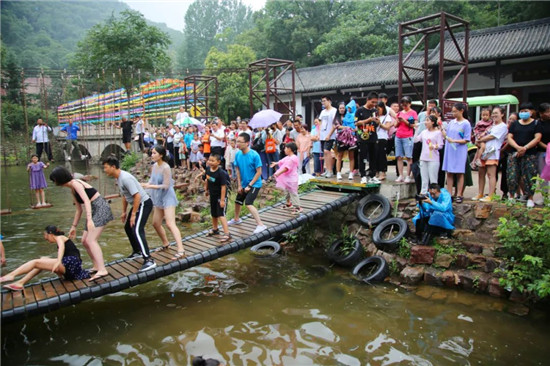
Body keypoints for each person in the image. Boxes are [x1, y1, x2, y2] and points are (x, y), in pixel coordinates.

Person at [50, 166, 112, 281]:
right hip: (94, 210)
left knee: (91, 240)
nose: (54, 182)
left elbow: (87, 201)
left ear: (59, 178)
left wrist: (89, 220)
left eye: (54, 179)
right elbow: (79, 209)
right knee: (84, 240)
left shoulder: (76, 184)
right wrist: (73, 227)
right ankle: (97, 266)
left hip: (101, 208)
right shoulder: (72, 188)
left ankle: (102, 269)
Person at [102, 157, 156, 271]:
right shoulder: (119, 178)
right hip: (138, 204)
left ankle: (148, 259)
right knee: (128, 227)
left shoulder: (125, 178)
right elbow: (125, 196)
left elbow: (137, 196)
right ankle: (137, 251)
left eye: (106, 167)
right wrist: (124, 212)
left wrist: (133, 214)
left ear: (113, 167)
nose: (104, 170)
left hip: (144, 204)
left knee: (137, 229)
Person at [0, 225, 91, 291]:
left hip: (71, 265)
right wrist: (59, 272)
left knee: (36, 262)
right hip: (72, 268)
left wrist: (58, 261)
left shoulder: (60, 238)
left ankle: (11, 275)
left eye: (45, 235)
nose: (45, 238)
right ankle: (20, 283)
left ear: (50, 234)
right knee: (42, 260)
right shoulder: (60, 239)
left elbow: (62, 248)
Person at [141, 146, 186, 260]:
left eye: (154, 153)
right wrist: (144, 184)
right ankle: (166, 244)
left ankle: (181, 250)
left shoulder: (166, 167)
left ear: (161, 155)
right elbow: (151, 181)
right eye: (152, 153)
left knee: (170, 224)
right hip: (158, 197)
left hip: (168, 198)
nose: (152, 155)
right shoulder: (154, 166)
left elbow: (166, 185)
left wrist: (149, 186)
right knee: (156, 223)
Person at [227, 133, 267, 234]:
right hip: (244, 184)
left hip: (254, 184)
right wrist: (240, 185)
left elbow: (259, 172)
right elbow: (238, 170)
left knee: (248, 203)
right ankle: (236, 219)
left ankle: (261, 225)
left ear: (247, 143)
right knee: (238, 201)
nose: (237, 144)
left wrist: (250, 185)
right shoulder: (238, 154)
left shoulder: (254, 155)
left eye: (240, 142)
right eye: (237, 141)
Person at [507, 102, 543, 208]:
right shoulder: (515, 124)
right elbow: (509, 137)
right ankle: (512, 196)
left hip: (530, 154)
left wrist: (525, 148)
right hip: (514, 153)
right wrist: (518, 148)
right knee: (512, 175)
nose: (523, 113)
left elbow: (537, 138)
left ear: (531, 112)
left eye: (526, 111)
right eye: (521, 111)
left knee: (529, 176)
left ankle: (530, 198)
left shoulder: (536, 124)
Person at [473, 107, 509, 202]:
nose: (494, 115)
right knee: (481, 173)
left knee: (491, 174)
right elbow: (483, 133)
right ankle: (480, 193)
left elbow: (492, 136)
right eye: (493, 113)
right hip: (483, 152)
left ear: (502, 114)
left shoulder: (503, 126)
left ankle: (490, 195)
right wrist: (479, 139)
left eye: (496, 113)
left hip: (493, 152)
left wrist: (480, 139)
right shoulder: (491, 126)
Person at [441, 103, 471, 203]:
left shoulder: (466, 123)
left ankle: (459, 194)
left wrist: (454, 141)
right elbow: (447, 135)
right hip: (450, 149)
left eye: (455, 111)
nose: (453, 113)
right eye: (452, 111)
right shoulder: (451, 122)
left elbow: (467, 139)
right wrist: (444, 133)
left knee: (459, 172)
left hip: (460, 150)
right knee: (449, 172)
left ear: (461, 111)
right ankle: (449, 194)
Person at [204, 154, 232, 243]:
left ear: (218, 162)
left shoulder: (221, 173)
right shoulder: (208, 170)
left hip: (221, 196)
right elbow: (207, 179)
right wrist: (206, 190)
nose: (210, 162)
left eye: (213, 161)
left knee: (221, 214)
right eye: (209, 160)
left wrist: (223, 200)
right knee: (214, 213)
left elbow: (223, 186)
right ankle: (215, 229)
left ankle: (227, 233)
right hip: (213, 194)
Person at [355, 91, 380, 184]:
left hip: (373, 136)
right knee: (362, 157)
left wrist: (377, 122)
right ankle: (362, 175)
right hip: (362, 137)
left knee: (373, 157)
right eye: (372, 102)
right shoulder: (359, 110)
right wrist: (367, 120)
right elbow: (356, 123)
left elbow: (377, 123)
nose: (373, 104)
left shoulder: (375, 111)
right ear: (368, 100)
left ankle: (372, 175)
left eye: (375, 103)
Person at [414, 116, 444, 194]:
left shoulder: (438, 133)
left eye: (427, 120)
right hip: (423, 158)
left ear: (433, 122)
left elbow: (440, 145)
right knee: (424, 179)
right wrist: (416, 129)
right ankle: (423, 194)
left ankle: (434, 195)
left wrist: (433, 146)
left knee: (433, 179)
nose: (425, 122)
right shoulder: (424, 132)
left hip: (433, 159)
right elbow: (415, 140)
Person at [271, 142, 302, 214]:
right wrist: (276, 163)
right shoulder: (289, 157)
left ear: (289, 149)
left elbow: (286, 168)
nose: (284, 149)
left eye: (285, 148)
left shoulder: (292, 158)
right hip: (288, 178)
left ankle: (298, 207)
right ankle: (288, 204)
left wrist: (278, 173)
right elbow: (282, 161)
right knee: (287, 191)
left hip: (292, 178)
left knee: (293, 192)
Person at [395, 96, 418, 183]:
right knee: (399, 156)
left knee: (409, 157)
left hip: (408, 135)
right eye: (403, 105)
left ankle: (408, 175)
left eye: (406, 105)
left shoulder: (413, 113)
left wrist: (404, 120)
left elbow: (414, 125)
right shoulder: (400, 113)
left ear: (409, 104)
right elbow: (395, 125)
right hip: (398, 135)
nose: (404, 106)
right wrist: (398, 121)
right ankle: (401, 175)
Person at [335, 101, 357, 180]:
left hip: (351, 138)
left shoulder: (351, 115)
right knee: (339, 156)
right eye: (340, 108)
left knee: (351, 156)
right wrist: (346, 128)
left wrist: (352, 129)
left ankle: (351, 173)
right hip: (341, 138)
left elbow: (355, 126)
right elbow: (337, 126)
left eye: (343, 108)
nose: (342, 109)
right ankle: (338, 173)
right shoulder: (337, 117)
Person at [319, 96, 337, 178]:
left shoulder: (334, 110)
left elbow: (334, 124)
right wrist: (319, 133)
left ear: (329, 101)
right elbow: (320, 123)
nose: (323, 103)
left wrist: (329, 135)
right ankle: (327, 170)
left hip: (330, 135)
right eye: (322, 101)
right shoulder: (323, 112)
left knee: (327, 151)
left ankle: (330, 170)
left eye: (324, 101)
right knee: (325, 153)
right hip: (323, 135)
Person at [374, 101, 393, 181]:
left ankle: (383, 172)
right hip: (375, 137)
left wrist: (379, 124)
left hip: (382, 138)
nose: (377, 110)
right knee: (375, 155)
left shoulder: (386, 117)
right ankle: (376, 171)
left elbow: (387, 127)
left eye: (379, 108)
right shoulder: (374, 116)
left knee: (382, 155)